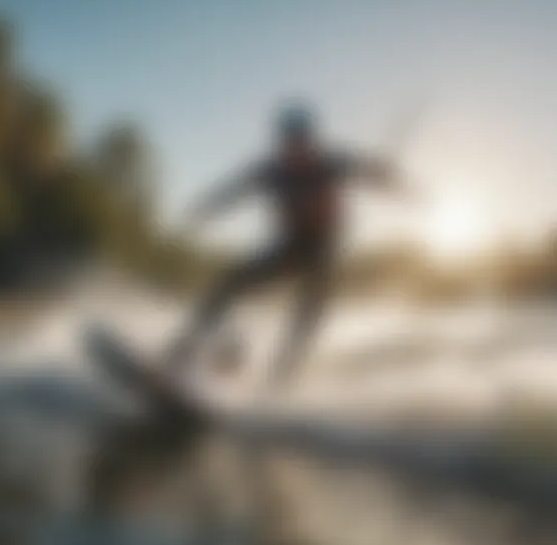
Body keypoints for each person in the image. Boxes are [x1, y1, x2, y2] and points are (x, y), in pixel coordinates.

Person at [167, 102, 407, 386]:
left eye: (301, 141)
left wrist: (389, 176)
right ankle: (184, 349)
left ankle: (280, 383)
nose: (295, 149)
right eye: (289, 142)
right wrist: (205, 207)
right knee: (230, 281)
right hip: (289, 247)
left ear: (311, 141)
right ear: (281, 142)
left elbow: (373, 172)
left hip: (323, 250)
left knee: (306, 314)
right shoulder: (272, 170)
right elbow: (233, 189)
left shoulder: (332, 162)